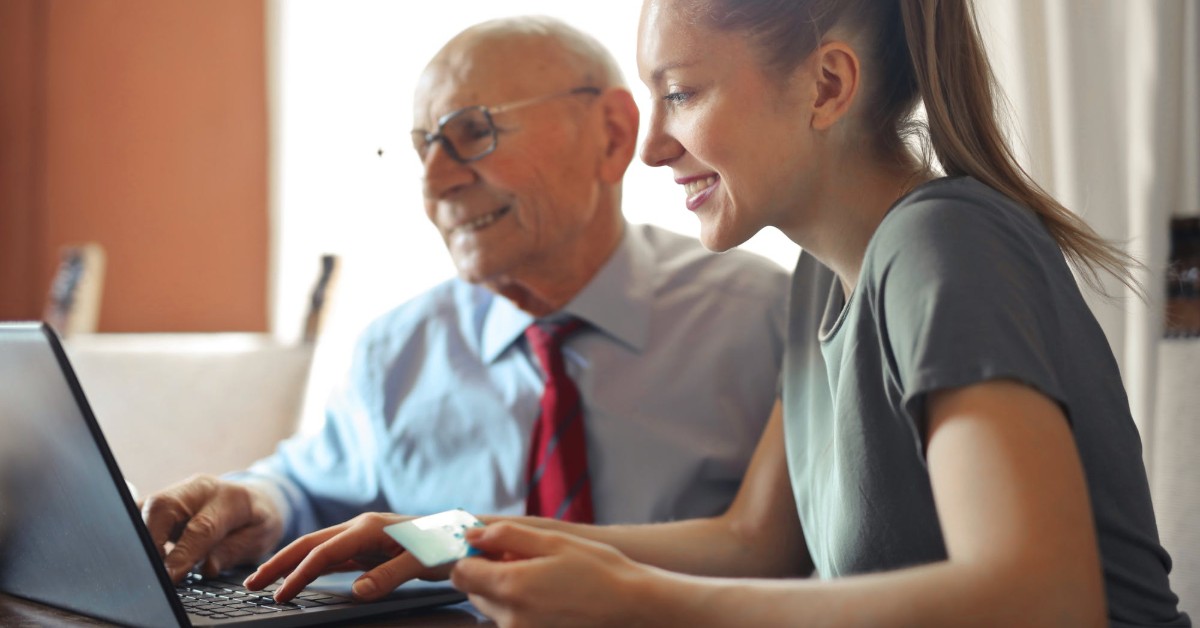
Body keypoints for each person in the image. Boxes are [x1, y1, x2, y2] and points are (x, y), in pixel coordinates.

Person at [247, 0, 1192, 626]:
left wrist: (636, 602)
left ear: (827, 86)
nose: (652, 146)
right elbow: (753, 542)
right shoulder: (822, 279)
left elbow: (1043, 600)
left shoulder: (942, 246)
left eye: (681, 93)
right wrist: (449, 536)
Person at [140, 15, 791, 586]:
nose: (435, 182)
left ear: (612, 134)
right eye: (423, 148)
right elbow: (307, 487)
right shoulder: (398, 348)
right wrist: (258, 502)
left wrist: (452, 540)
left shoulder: (763, 318)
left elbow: (780, 551)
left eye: (473, 132)